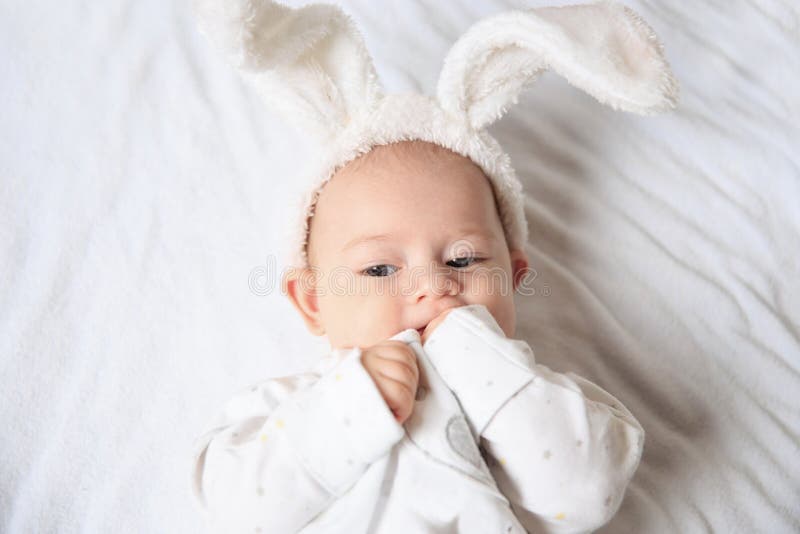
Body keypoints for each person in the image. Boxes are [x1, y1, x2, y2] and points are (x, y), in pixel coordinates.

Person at [191, 1, 678, 532]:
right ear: (313, 302)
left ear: (513, 279)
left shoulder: (536, 400)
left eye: (463, 259)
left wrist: (486, 366)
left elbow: (587, 493)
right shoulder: (296, 407)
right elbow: (235, 508)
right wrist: (350, 406)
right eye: (379, 270)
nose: (434, 287)